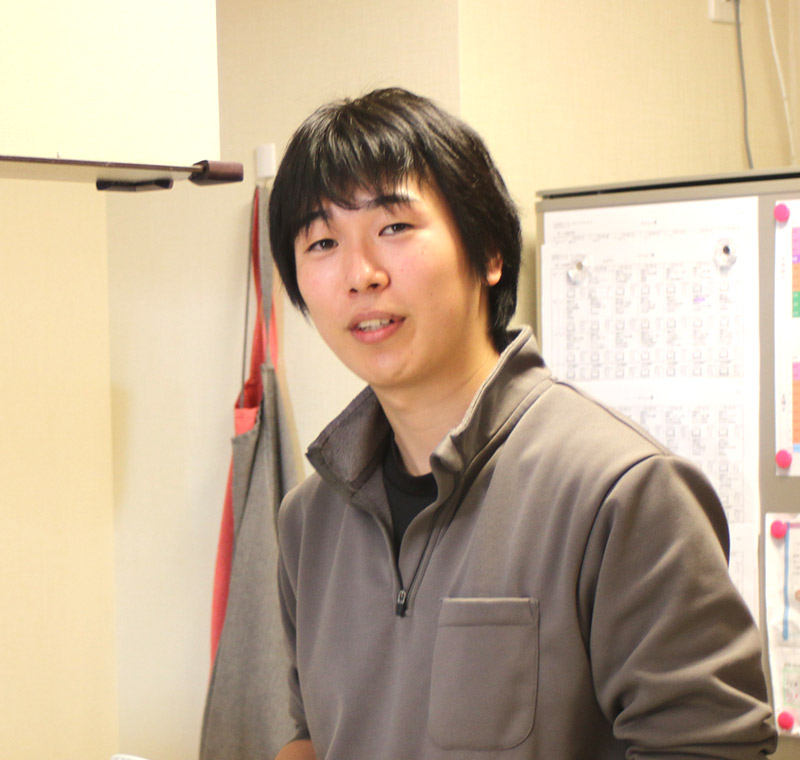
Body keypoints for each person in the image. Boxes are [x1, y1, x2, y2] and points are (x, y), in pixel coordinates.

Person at [267, 87, 777, 759]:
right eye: (323, 241)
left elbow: (711, 747)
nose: (360, 275)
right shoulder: (310, 521)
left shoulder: (621, 492)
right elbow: (312, 737)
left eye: (393, 228)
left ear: (489, 253)